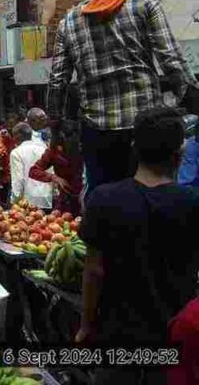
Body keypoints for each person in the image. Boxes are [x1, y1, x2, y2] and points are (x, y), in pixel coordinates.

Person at [49, 0, 197, 193]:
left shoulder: (69, 21)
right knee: (151, 197)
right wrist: (191, 99)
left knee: (104, 201)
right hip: (145, 130)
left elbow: (57, 81)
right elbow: (171, 61)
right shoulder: (145, 5)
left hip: (96, 133)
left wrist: (55, 128)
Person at [77, 107, 199, 385]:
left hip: (117, 343)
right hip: (173, 345)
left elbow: (94, 271)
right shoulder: (192, 203)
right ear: (179, 153)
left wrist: (85, 326)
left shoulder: (103, 199)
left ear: (134, 147)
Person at [29, 120, 84, 215]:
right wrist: (54, 178)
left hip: (85, 198)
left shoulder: (84, 149)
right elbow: (33, 171)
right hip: (64, 200)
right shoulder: (54, 151)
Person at [9, 122, 53, 209]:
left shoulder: (16, 153)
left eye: (13, 136)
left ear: (17, 136)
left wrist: (14, 201)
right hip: (46, 199)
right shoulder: (44, 150)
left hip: (27, 202)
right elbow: (51, 173)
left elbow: (18, 180)